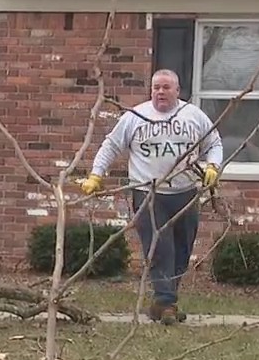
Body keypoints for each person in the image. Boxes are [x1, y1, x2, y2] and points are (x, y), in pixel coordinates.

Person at [80, 69, 223, 325]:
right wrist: (96, 175)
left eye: (166, 87)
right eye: (156, 87)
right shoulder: (136, 116)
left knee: (182, 250)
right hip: (148, 193)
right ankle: (167, 303)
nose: (160, 92)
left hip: (186, 193)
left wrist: (212, 166)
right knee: (160, 249)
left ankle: (163, 301)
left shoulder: (193, 116)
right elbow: (111, 145)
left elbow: (214, 144)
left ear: (178, 91)